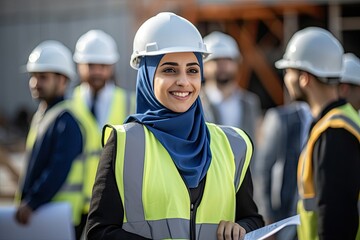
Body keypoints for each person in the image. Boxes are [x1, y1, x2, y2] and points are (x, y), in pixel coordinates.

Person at [86, 12, 264, 240]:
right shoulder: (125, 143)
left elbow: (253, 219)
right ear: (147, 76)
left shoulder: (232, 145)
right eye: (169, 70)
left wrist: (242, 229)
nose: (184, 81)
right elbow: (98, 232)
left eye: (192, 70)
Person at [275, 27, 360, 240]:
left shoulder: (335, 133)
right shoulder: (342, 120)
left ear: (304, 78)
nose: (286, 79)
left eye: (289, 71)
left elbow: (335, 221)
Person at [14, 41, 84, 238]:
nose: (35, 83)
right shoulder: (43, 115)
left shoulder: (66, 120)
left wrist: (32, 202)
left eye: (43, 77)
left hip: (58, 217)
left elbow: (57, 168)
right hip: (44, 215)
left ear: (63, 81)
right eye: (33, 77)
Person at [71, 29, 135, 231]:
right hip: (76, 206)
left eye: (103, 65)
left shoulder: (129, 102)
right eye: (91, 65)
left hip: (117, 199)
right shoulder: (68, 104)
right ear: (79, 66)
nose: (97, 71)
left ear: (112, 66)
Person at [254, 97, 312, 240]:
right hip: (282, 220)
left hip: (314, 220)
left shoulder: (332, 120)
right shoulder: (280, 118)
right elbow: (262, 170)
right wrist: (266, 219)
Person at [202, 31, 262, 141]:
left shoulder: (250, 102)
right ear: (203, 66)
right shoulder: (194, 102)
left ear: (237, 64)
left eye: (228, 60)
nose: (223, 65)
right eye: (216, 60)